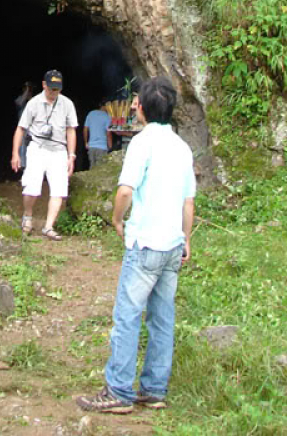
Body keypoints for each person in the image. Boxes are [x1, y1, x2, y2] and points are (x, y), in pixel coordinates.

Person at [76, 75, 196, 414]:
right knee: (162, 318)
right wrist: (186, 240)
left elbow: (126, 190)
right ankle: (154, 389)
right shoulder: (182, 147)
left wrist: (117, 219)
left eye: (135, 101)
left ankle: (118, 391)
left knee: (127, 316)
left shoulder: (141, 144)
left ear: (141, 108)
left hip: (145, 244)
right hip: (173, 245)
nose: (132, 105)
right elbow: (188, 203)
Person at [11, 69, 78, 240]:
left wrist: (72, 156)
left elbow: (71, 131)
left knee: (59, 189)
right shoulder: (33, 103)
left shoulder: (67, 104)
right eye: (51, 88)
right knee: (32, 186)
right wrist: (15, 154)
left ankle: (48, 227)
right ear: (43, 85)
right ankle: (27, 216)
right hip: (37, 147)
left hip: (59, 149)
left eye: (57, 89)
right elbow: (21, 129)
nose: (53, 92)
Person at [14, 80, 35, 169]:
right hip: (22, 129)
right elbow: (19, 102)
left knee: (32, 151)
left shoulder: (35, 100)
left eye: (29, 89)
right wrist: (26, 90)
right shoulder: (19, 100)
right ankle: (23, 173)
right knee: (22, 151)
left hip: (33, 129)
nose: (28, 91)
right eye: (26, 89)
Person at [83, 103, 112, 167]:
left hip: (91, 147)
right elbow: (108, 133)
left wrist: (86, 142)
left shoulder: (90, 114)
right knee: (100, 169)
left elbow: (85, 129)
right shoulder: (107, 116)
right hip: (102, 147)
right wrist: (110, 146)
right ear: (105, 106)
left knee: (92, 168)